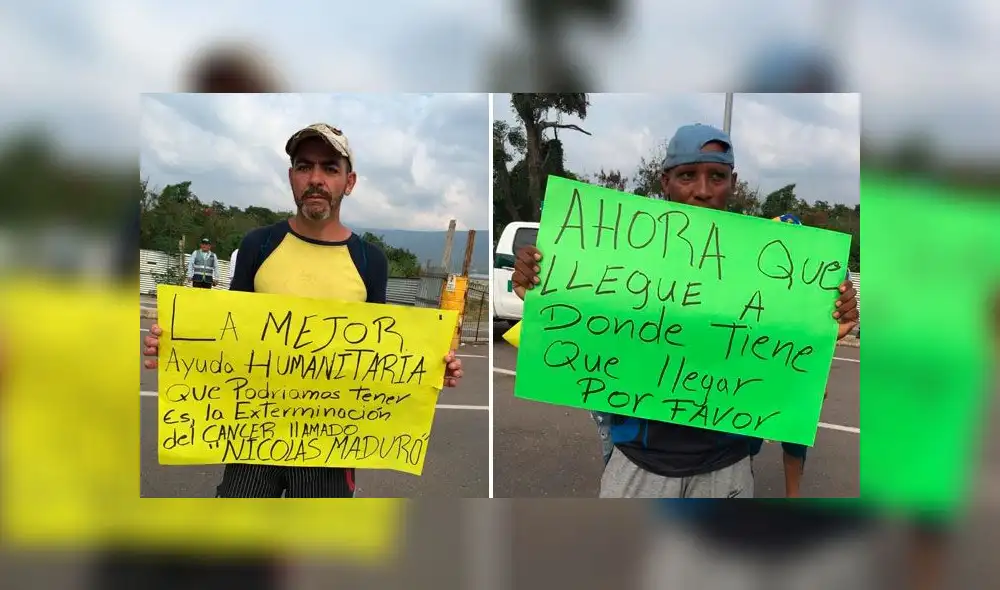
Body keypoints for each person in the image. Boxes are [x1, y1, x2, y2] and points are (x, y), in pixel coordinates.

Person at [511, 123, 858, 498]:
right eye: (688, 176)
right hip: (638, 463)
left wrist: (826, 326)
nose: (703, 191)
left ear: (733, 182)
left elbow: (782, 356)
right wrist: (538, 282)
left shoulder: (767, 267)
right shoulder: (621, 254)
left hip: (727, 467)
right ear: (666, 181)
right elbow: (580, 318)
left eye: (717, 177)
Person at [143, 123, 465, 498]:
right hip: (251, 439)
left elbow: (383, 356)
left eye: (330, 168)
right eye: (303, 166)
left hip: (331, 449)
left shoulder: (369, 260)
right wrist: (173, 345)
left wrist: (432, 365)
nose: (316, 179)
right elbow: (225, 337)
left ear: (350, 181)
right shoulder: (258, 245)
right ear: (291, 176)